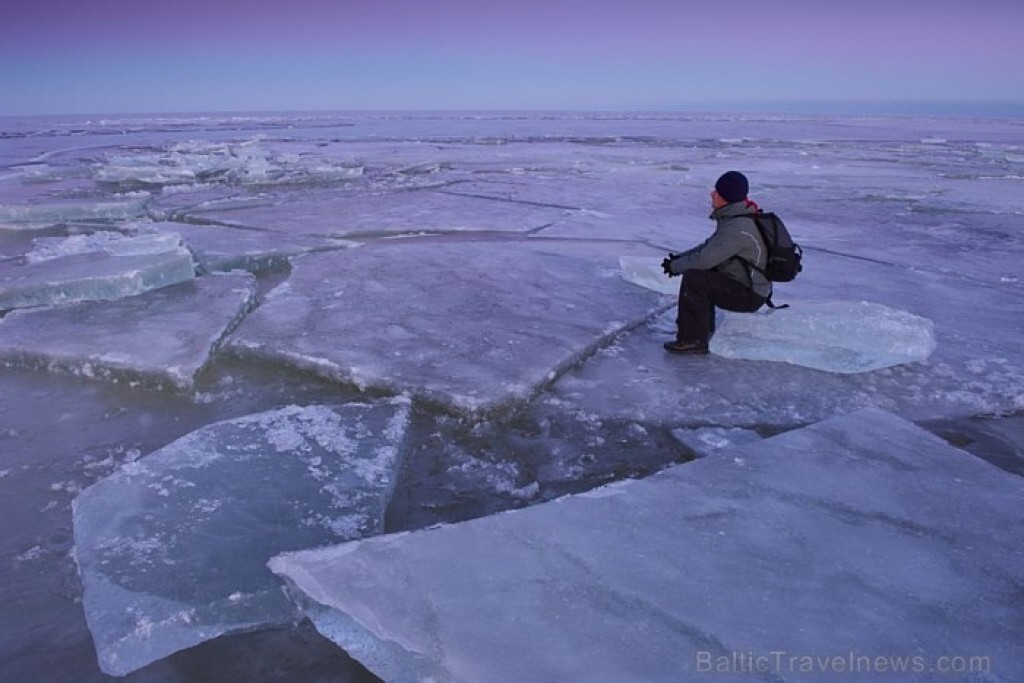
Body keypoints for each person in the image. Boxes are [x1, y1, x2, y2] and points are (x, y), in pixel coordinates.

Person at [661, 171, 770, 355]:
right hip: (746, 285)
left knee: (695, 278)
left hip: (750, 294)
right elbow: (709, 246)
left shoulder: (738, 228)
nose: (712, 194)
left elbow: (704, 259)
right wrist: (678, 259)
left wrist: (675, 267)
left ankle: (693, 340)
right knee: (705, 274)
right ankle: (702, 330)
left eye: (717, 191)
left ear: (726, 197)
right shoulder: (737, 219)